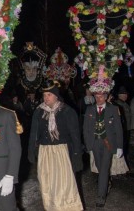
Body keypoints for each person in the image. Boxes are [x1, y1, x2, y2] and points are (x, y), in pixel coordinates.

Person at [28, 80, 83, 211]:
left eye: (49, 95)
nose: (46, 98)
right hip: (45, 152)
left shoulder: (67, 111)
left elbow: (75, 136)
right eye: (44, 95)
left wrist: (77, 155)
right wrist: (31, 151)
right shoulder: (39, 112)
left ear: (56, 96)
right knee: (47, 183)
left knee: (63, 184)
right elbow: (34, 133)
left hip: (62, 152)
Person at [83, 92, 123, 208]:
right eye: (96, 96)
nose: (98, 98)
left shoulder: (113, 109)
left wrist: (120, 146)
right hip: (95, 143)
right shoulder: (90, 109)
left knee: (104, 169)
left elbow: (118, 129)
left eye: (101, 96)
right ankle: (106, 182)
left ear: (106, 97)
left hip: (108, 143)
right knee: (101, 168)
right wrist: (88, 143)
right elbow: (85, 128)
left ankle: (101, 196)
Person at [114, 86, 131, 163]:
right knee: (122, 145)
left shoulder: (125, 104)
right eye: (123, 94)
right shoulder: (118, 104)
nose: (125, 96)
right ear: (119, 95)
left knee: (125, 144)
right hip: (122, 128)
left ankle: (124, 160)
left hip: (127, 127)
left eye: (126, 94)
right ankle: (121, 161)